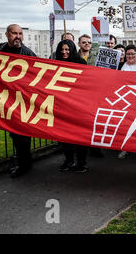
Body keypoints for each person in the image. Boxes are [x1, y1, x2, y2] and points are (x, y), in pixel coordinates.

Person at [0, 24, 37, 178]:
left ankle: (24, 165)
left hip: (22, 101)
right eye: (14, 33)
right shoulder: (0, 49)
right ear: (7, 34)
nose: (18, 36)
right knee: (14, 133)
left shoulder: (28, 53)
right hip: (6, 100)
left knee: (22, 135)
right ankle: (24, 162)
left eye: (20, 33)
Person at [54, 40, 89, 172]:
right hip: (62, 105)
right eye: (62, 49)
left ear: (72, 50)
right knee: (64, 136)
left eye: (67, 49)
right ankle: (68, 160)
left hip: (78, 106)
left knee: (79, 135)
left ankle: (81, 162)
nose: (64, 52)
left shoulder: (81, 63)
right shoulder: (55, 63)